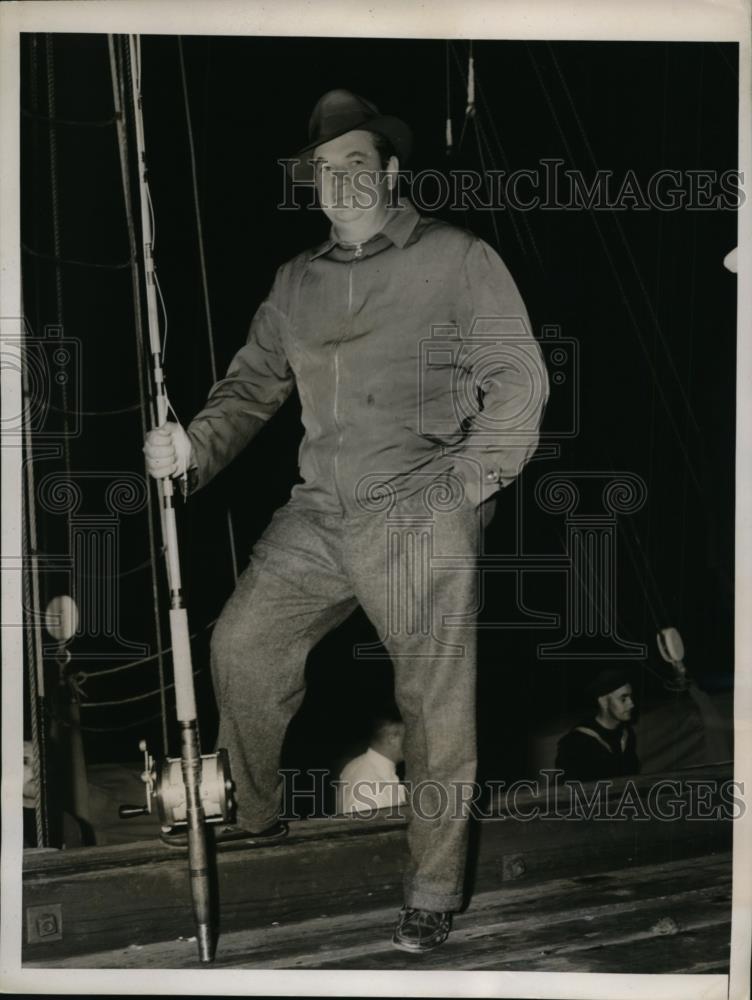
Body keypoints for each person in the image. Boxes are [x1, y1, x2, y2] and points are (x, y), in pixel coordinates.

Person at [144, 89, 548, 953]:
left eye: (356, 164)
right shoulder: (297, 281)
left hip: (420, 505)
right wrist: (192, 450)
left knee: (435, 706)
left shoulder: (457, 256)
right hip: (321, 513)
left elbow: (519, 387)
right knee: (240, 645)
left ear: (392, 173)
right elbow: (252, 387)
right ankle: (254, 816)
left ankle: (434, 891)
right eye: (323, 170)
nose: (339, 182)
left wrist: (462, 489)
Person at [555, 668, 641, 781]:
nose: (631, 704)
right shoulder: (576, 743)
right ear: (603, 702)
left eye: (630, 697)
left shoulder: (627, 735)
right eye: (623, 699)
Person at [338, 714, 407, 814]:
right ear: (393, 738)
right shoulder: (370, 786)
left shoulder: (354, 765)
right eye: (410, 736)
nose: (414, 743)